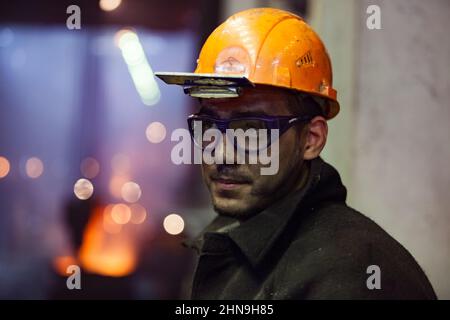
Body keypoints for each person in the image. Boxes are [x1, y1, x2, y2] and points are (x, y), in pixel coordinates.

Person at [155, 8, 436, 299]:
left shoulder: (352, 273)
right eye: (210, 126)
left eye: (254, 130)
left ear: (311, 139)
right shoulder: (229, 237)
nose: (222, 154)